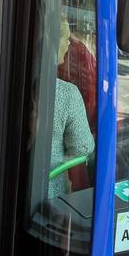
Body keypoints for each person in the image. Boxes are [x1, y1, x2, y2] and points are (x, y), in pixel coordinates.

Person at [49, 20, 95, 198]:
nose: (69, 43)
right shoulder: (66, 93)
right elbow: (82, 148)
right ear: (51, 43)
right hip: (47, 192)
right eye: (66, 39)